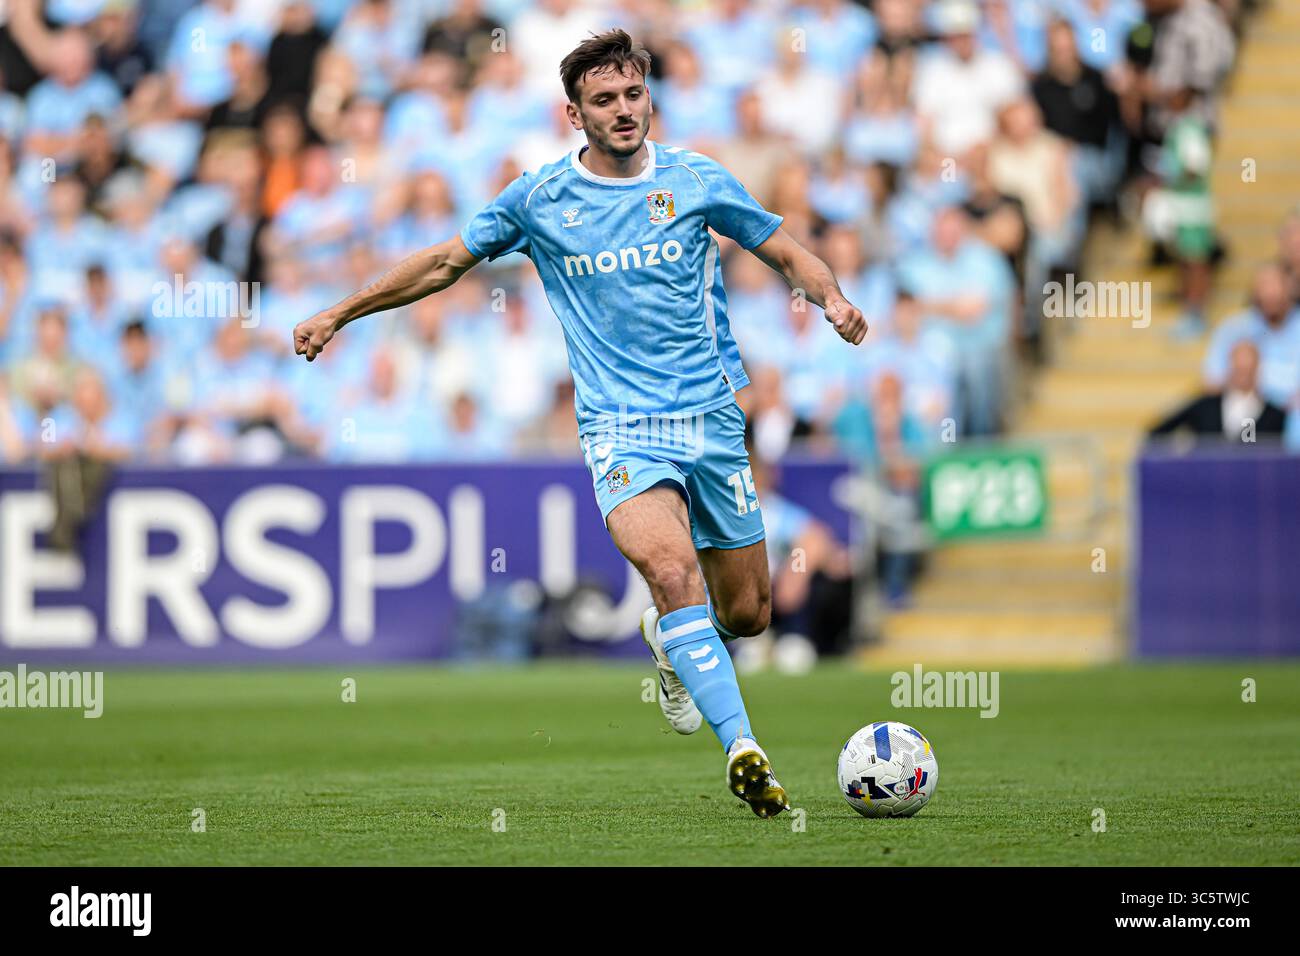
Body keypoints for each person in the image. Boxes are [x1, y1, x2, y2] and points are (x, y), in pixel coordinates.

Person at [292, 29, 867, 818]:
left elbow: (788, 251)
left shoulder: (696, 180)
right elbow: (440, 264)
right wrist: (341, 311)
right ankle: (744, 748)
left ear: (650, 99)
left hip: (711, 421)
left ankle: (671, 641)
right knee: (672, 573)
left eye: (633, 95)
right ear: (574, 114)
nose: (623, 110)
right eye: (604, 100)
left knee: (748, 615)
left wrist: (829, 297)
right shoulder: (539, 199)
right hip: (619, 429)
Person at [1150, 340, 1286, 441]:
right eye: (1239, 370)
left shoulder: (1274, 415)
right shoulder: (1204, 406)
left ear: (1257, 370)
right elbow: (1157, 432)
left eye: (1248, 370)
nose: (1243, 376)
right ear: (1229, 368)